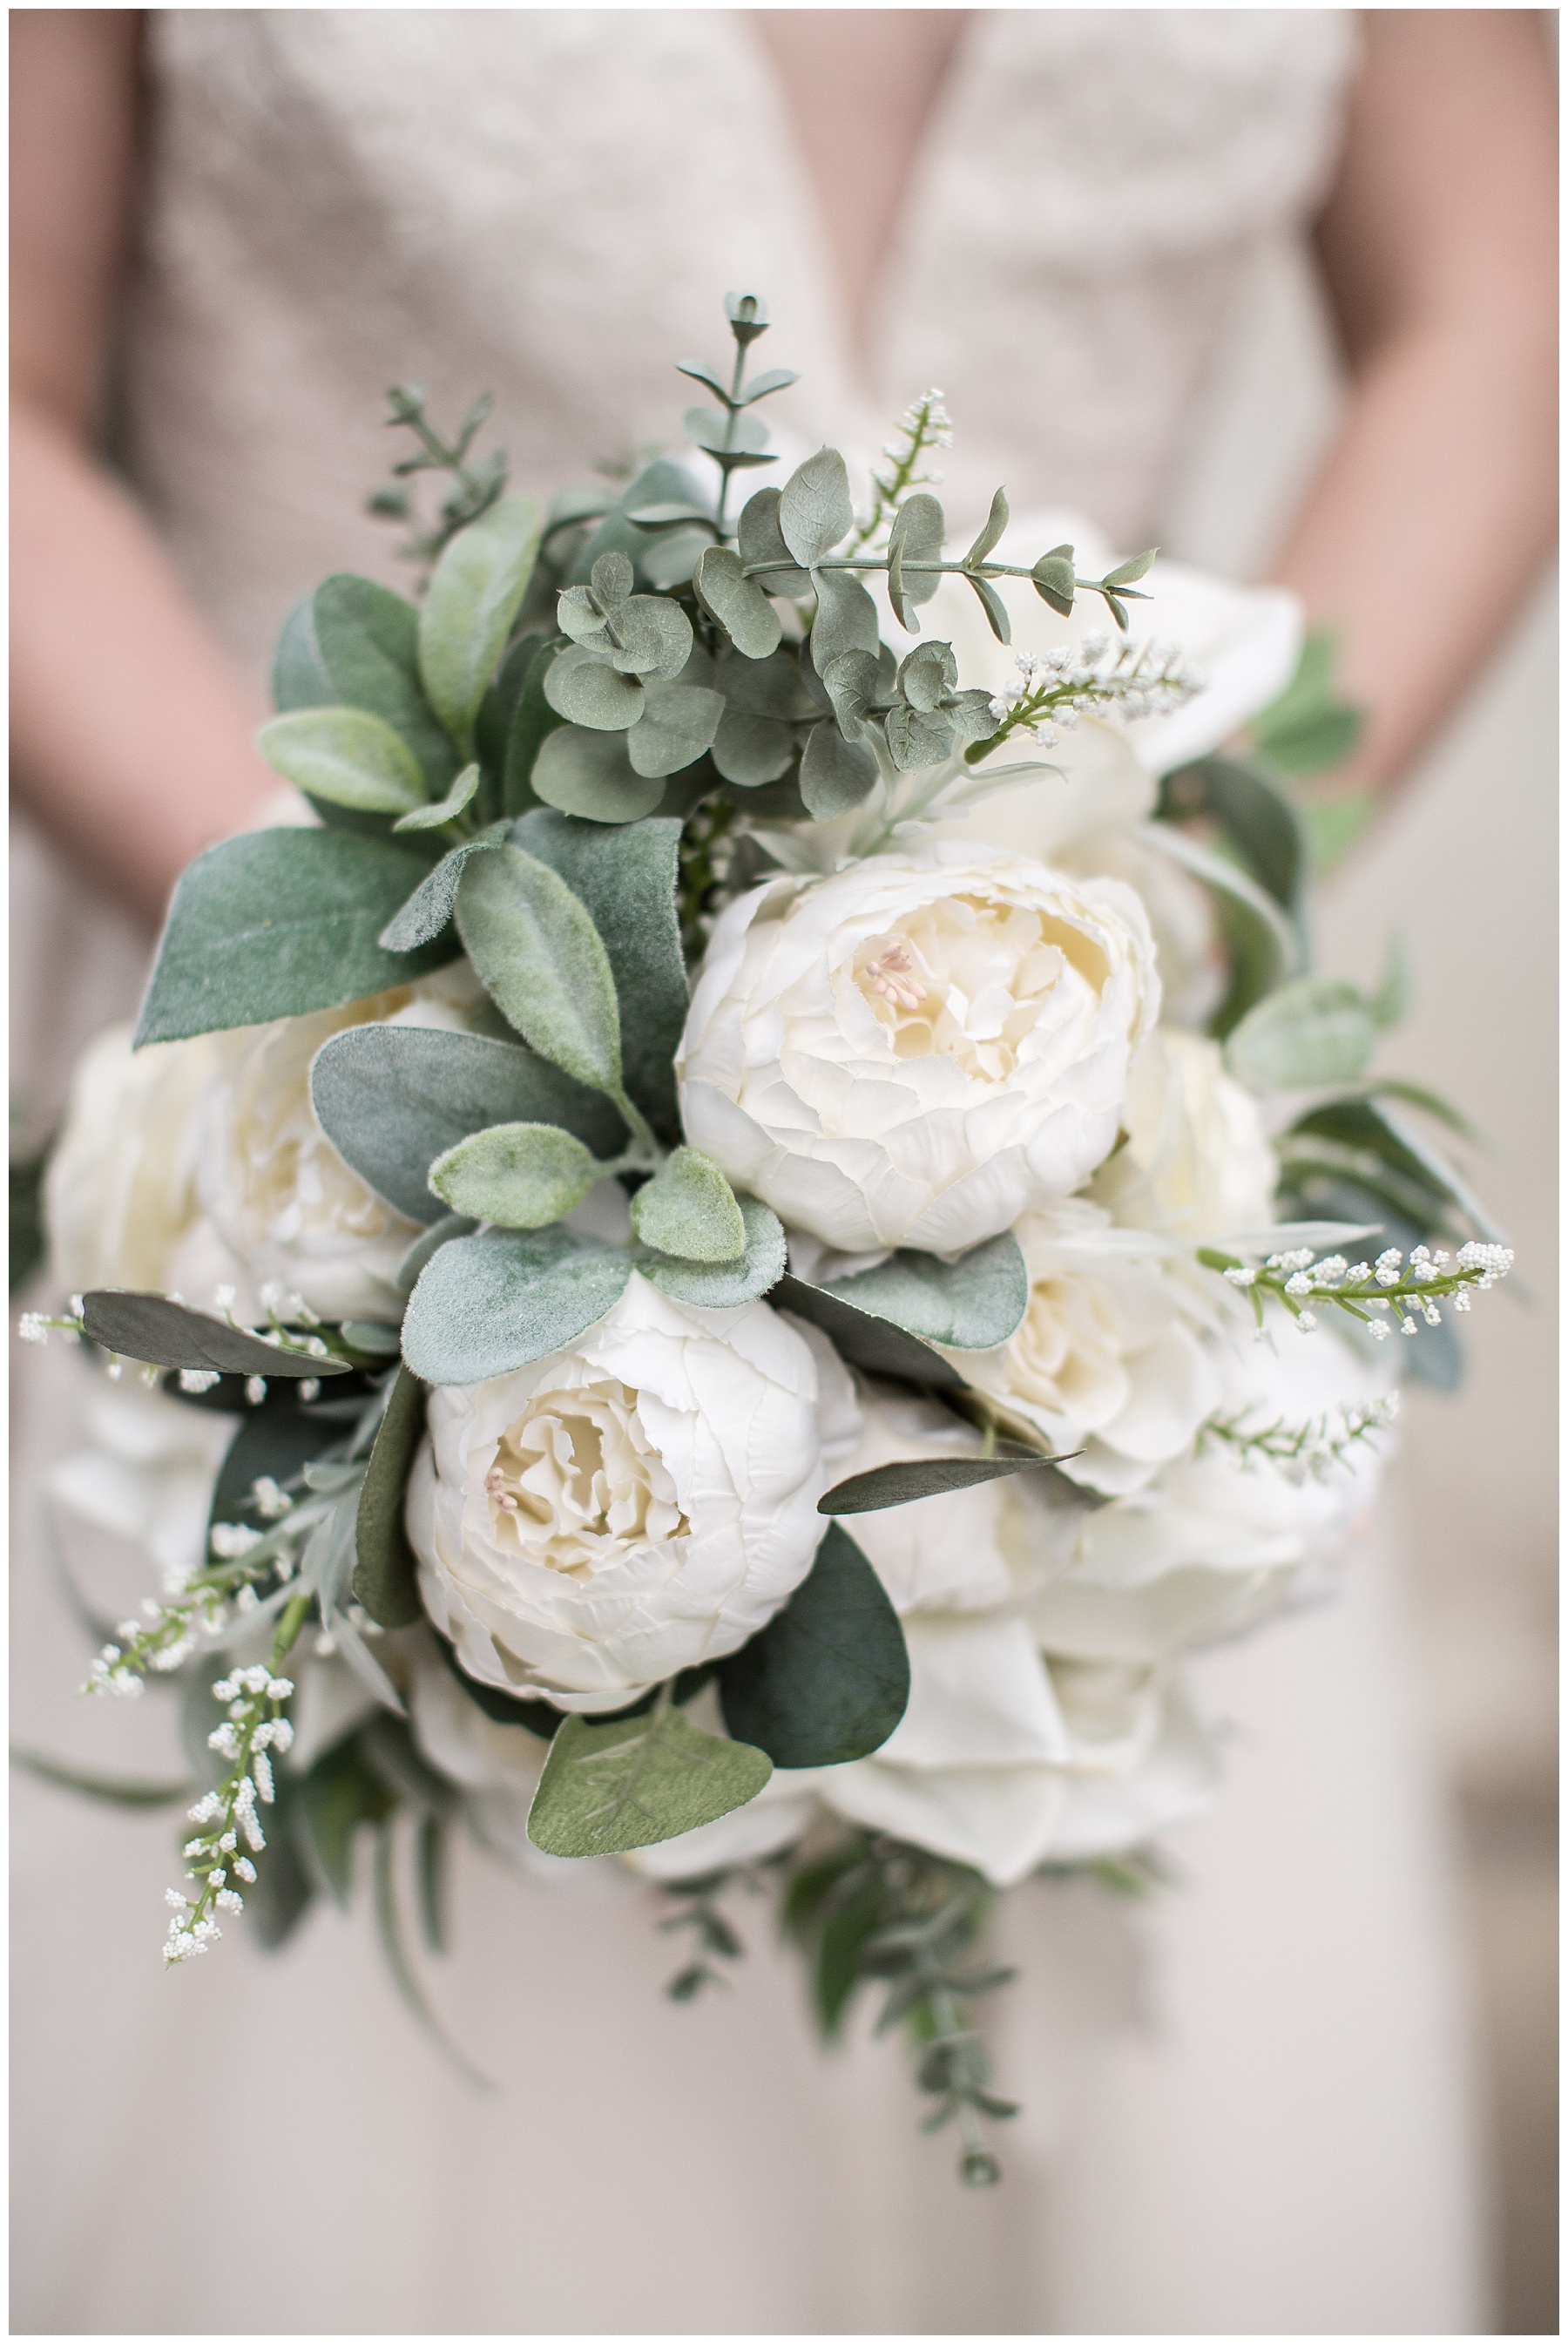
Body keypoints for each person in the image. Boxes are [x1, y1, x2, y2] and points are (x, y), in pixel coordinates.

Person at [10, 11, 1556, 2333]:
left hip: (1080, 1204)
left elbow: (1496, 300)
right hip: (337, 1152)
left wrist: (1143, 953)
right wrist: (426, 1008)